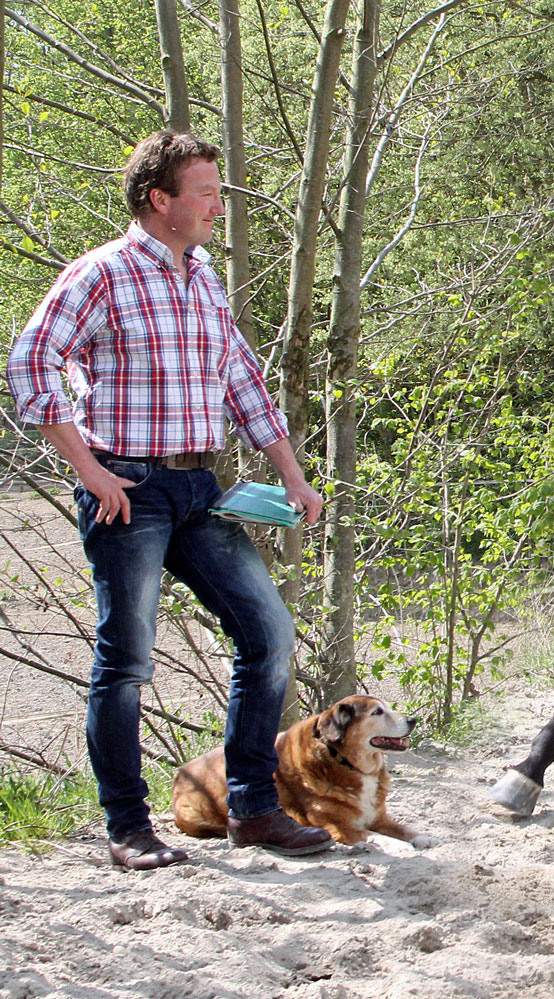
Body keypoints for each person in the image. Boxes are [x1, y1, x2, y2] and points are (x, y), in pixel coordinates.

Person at [6, 130, 333, 869]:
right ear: (161, 200)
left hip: (200, 488)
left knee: (269, 634)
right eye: (207, 193)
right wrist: (89, 471)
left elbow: (241, 376)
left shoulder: (204, 276)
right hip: (129, 490)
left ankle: (253, 808)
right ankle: (128, 828)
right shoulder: (104, 274)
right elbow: (30, 360)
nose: (219, 205)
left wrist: (291, 474)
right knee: (125, 660)